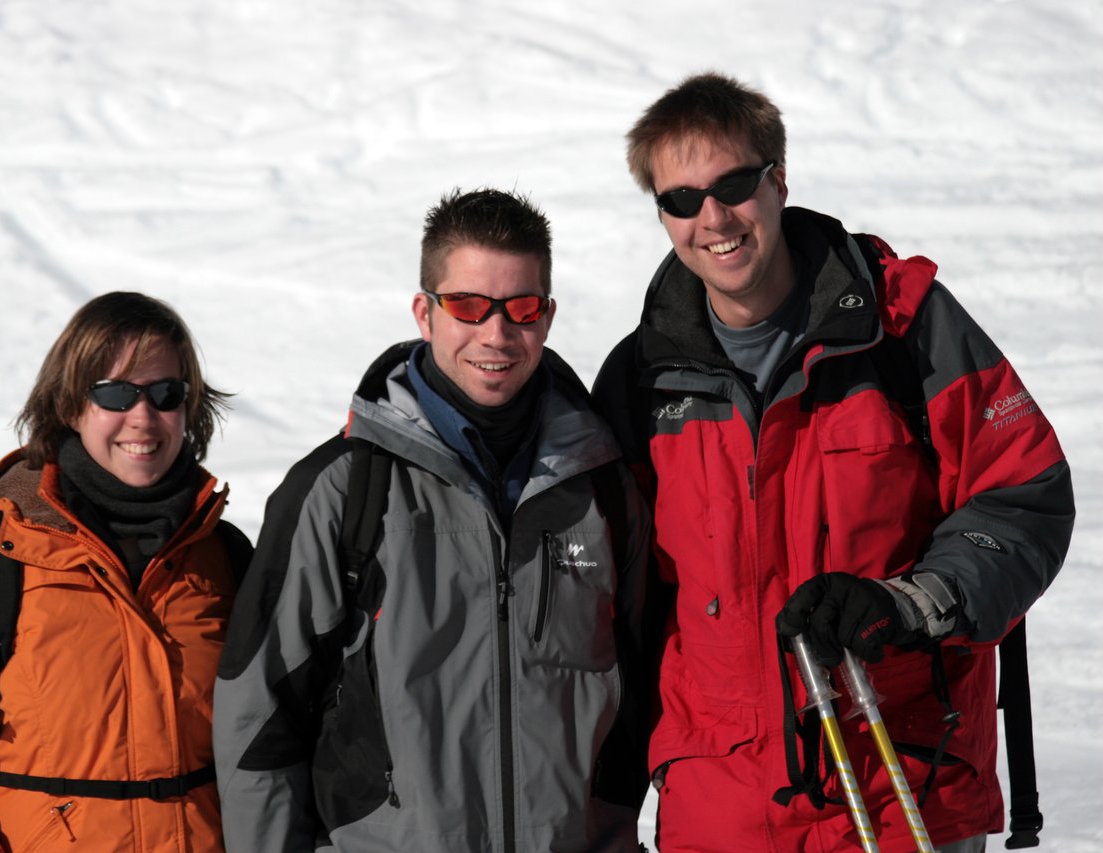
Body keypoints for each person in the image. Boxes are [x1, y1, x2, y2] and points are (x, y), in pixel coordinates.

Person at [594, 72, 1074, 852]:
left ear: (779, 180)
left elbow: (1023, 490)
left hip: (902, 787)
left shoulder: (901, 331)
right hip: (722, 810)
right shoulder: (642, 379)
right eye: (680, 198)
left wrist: (915, 601)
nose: (712, 217)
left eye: (735, 185)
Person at [214, 188, 652, 852]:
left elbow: (645, 689)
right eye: (469, 306)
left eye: (522, 308)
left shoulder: (602, 490)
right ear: (426, 311)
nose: (497, 334)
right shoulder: (342, 489)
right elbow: (258, 719)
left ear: (549, 315)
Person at [0, 291, 246, 852]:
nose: (143, 418)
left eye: (165, 394)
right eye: (115, 394)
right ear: (69, 405)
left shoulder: (225, 559)